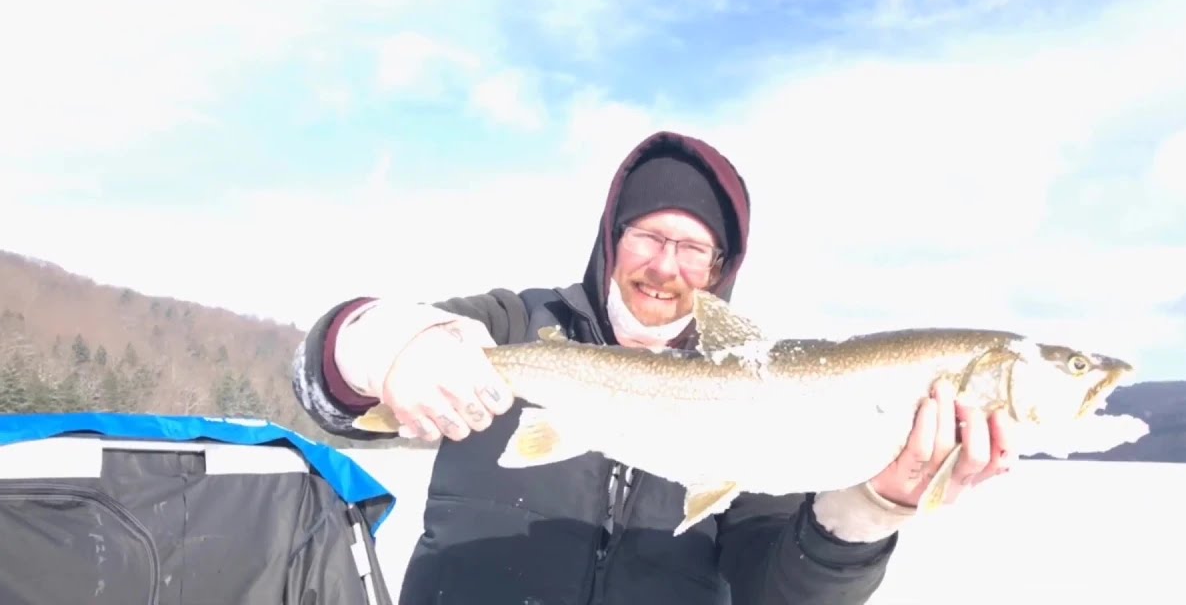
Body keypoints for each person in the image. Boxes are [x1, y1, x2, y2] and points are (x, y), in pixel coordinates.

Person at [291, 130, 1016, 605]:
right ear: (612, 237)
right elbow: (324, 386)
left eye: (694, 248)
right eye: (649, 236)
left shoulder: (769, 402)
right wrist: (385, 344)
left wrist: (870, 509)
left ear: (721, 269)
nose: (666, 266)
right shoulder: (516, 325)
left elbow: (779, 593)